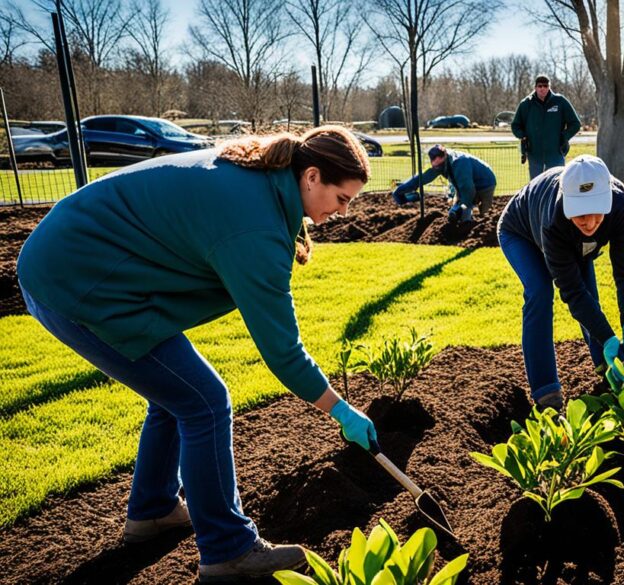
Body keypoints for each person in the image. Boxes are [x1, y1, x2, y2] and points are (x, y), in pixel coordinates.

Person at [17, 126, 381, 580]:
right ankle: (228, 549)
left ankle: (153, 510)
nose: (342, 212)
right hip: (75, 283)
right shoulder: (254, 227)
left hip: (80, 264)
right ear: (311, 177)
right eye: (342, 198)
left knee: (178, 394)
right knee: (204, 402)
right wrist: (341, 411)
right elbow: (283, 352)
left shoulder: (258, 180)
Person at [497, 154, 624, 410]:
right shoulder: (554, 219)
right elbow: (573, 292)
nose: (590, 223)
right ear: (568, 204)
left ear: (607, 199)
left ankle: (608, 369)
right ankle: (546, 391)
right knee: (540, 292)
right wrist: (609, 339)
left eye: (596, 213)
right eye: (580, 214)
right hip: (519, 232)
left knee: (590, 298)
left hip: (570, 240)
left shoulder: (620, 205)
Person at [391, 144, 497, 223]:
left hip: (486, 182)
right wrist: (401, 189)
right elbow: (423, 177)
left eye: (439, 165)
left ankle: (481, 229)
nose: (437, 168)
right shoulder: (439, 164)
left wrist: (462, 207)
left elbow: (467, 190)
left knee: (483, 213)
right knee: (460, 209)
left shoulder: (459, 163)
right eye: (435, 165)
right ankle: (465, 222)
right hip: (464, 182)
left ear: (445, 156)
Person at [511, 75, 582, 179]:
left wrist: (564, 137)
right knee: (536, 184)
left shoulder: (560, 101)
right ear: (535, 87)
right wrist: (524, 137)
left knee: (556, 183)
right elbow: (515, 125)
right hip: (534, 155)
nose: (542, 88)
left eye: (545, 86)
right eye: (540, 86)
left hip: (556, 154)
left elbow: (575, 124)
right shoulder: (526, 104)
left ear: (549, 87)